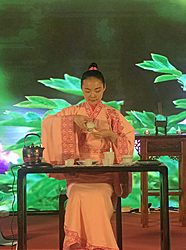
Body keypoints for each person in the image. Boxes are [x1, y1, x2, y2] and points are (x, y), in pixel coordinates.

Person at [41, 63, 135, 250]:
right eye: (88, 90)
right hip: (79, 176)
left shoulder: (112, 114)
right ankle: (80, 244)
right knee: (78, 195)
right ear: (81, 89)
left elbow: (128, 138)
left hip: (104, 176)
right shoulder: (72, 111)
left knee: (99, 195)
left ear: (104, 88)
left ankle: (97, 245)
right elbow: (47, 123)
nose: (92, 95)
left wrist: (111, 135)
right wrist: (71, 120)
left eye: (97, 90)